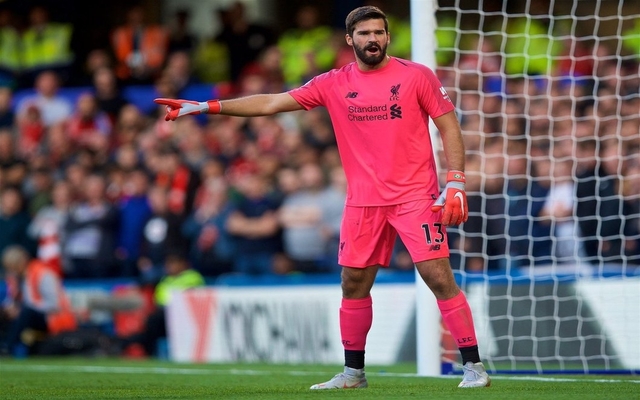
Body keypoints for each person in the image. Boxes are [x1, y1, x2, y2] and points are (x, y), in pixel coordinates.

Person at [154, 5, 490, 389]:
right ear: (350, 40)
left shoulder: (417, 76)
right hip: (363, 202)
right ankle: (353, 374)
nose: (373, 39)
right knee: (353, 283)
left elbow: (448, 125)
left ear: (387, 37)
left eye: (379, 32)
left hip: (415, 196)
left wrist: (457, 181)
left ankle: (473, 367)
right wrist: (206, 107)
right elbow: (271, 102)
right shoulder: (333, 82)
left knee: (437, 276)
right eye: (364, 34)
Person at [1, 245, 77, 356]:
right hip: (27, 315)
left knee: (26, 312)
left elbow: (54, 305)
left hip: (50, 319)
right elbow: (12, 299)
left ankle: (7, 347)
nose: (12, 272)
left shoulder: (43, 274)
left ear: (22, 262)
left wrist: (23, 308)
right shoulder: (18, 279)